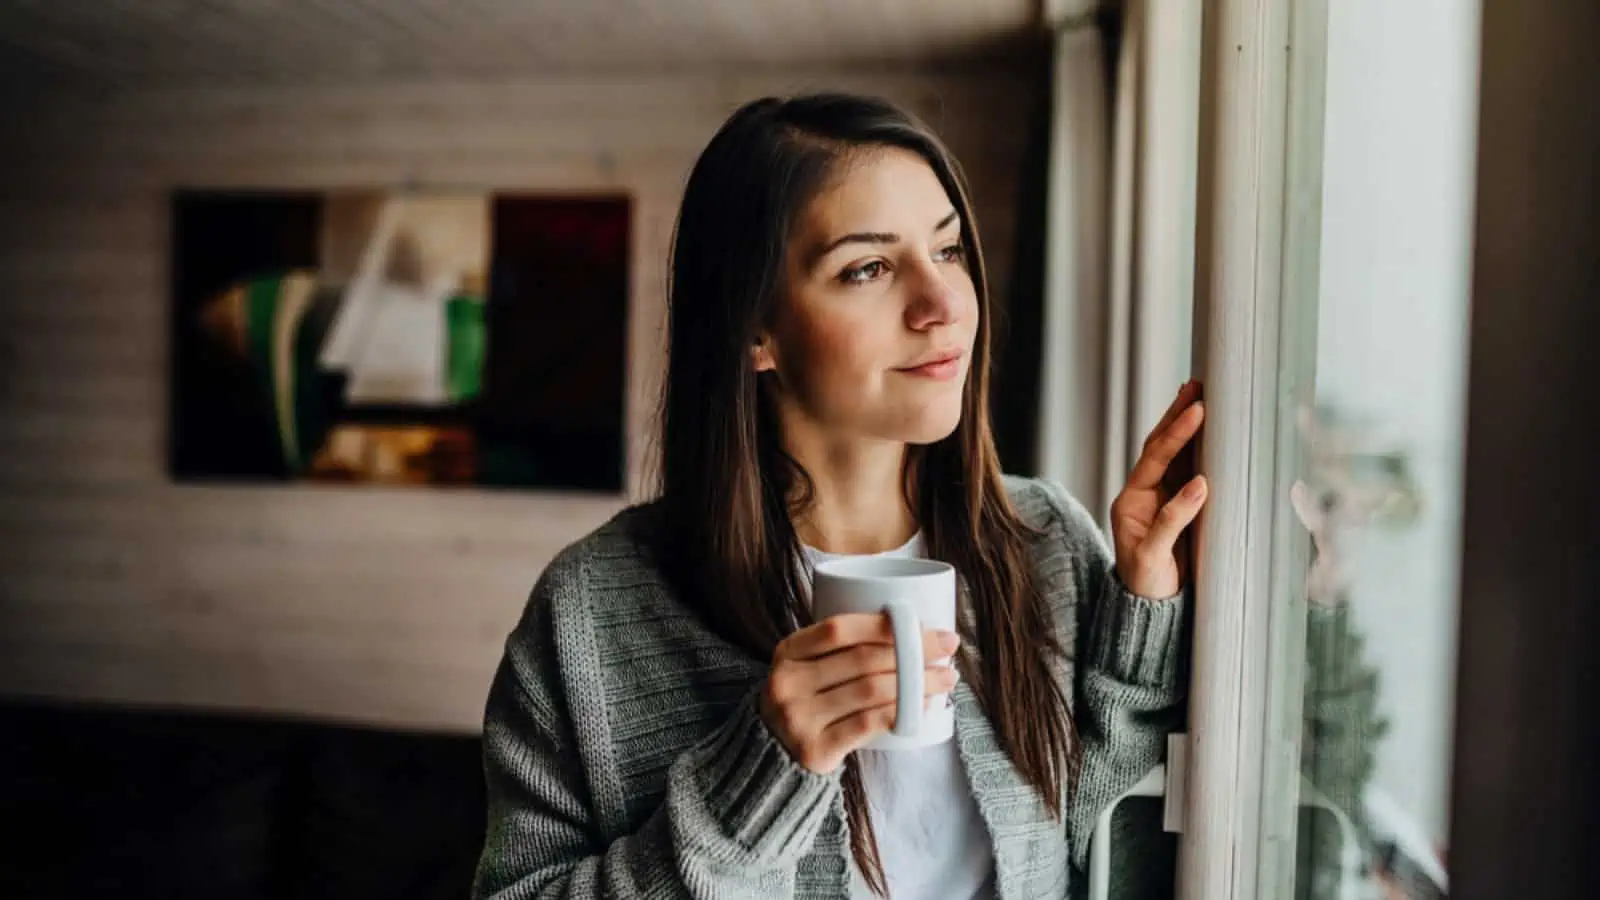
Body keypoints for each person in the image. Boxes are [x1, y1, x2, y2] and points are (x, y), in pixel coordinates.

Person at [471, 93, 1208, 900]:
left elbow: (1113, 854)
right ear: (756, 329)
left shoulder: (1046, 542)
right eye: (869, 268)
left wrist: (1141, 606)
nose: (942, 306)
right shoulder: (593, 609)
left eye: (950, 250)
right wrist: (755, 781)